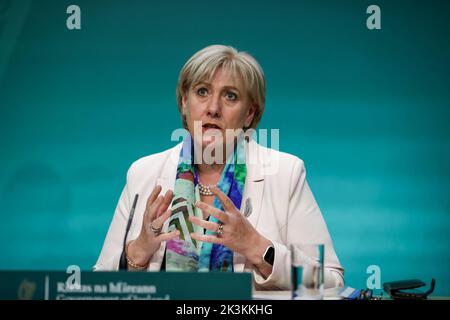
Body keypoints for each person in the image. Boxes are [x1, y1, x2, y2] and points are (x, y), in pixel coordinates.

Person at [94, 44, 344, 290]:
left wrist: (257, 247)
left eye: (230, 96)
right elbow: (97, 288)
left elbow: (330, 282)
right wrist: (139, 250)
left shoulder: (285, 173)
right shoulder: (143, 172)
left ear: (249, 114)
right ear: (184, 102)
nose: (213, 109)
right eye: (202, 92)